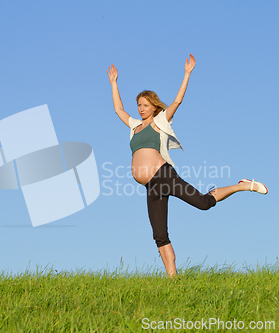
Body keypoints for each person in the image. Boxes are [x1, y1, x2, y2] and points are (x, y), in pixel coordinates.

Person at [107, 54, 268, 277]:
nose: (140, 109)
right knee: (159, 234)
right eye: (138, 105)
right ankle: (172, 280)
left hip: (164, 176)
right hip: (151, 186)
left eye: (145, 105)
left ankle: (242, 185)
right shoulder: (134, 127)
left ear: (154, 107)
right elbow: (118, 110)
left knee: (203, 203)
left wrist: (187, 74)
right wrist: (114, 84)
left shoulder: (160, 121)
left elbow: (177, 101)